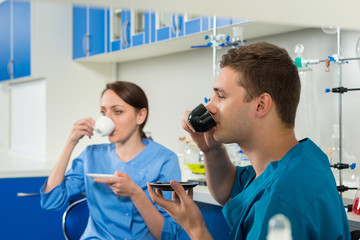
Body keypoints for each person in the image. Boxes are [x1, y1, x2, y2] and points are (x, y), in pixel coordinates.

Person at [148, 42, 350, 239]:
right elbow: (228, 192)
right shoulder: (298, 160)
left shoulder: (282, 201)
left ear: (261, 105)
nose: (209, 107)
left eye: (221, 96)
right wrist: (211, 149)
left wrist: (195, 228)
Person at [40, 81, 182, 240]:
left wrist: (136, 194)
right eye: (103, 112)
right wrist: (71, 142)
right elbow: (51, 201)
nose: (107, 120)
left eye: (118, 111)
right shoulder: (91, 156)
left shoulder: (165, 160)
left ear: (140, 116)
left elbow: (169, 236)